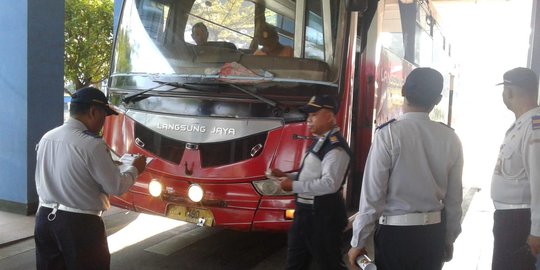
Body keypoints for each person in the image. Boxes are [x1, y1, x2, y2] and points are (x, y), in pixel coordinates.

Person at [348, 67, 464, 270]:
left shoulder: (388, 135)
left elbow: (372, 197)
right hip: (432, 235)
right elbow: (454, 200)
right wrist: (448, 238)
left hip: (395, 236)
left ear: (403, 91)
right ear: (437, 100)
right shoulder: (451, 138)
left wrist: (358, 242)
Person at [34, 87, 147, 270]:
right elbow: (116, 186)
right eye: (104, 116)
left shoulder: (47, 137)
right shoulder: (92, 144)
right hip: (80, 226)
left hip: (45, 220)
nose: (104, 122)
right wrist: (135, 169)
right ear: (93, 111)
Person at [268, 95, 351, 269]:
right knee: (295, 263)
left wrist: (293, 186)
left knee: (329, 264)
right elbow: (312, 175)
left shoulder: (336, 148)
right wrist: (287, 176)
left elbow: (330, 184)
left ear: (329, 116)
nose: (308, 120)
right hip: (305, 215)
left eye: (313, 115)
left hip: (323, 217)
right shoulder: (320, 142)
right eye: (308, 115)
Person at [491, 67, 540, 270]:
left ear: (509, 91)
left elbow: (539, 181)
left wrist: (536, 231)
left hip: (519, 222)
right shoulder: (522, 124)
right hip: (509, 220)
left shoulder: (534, 126)